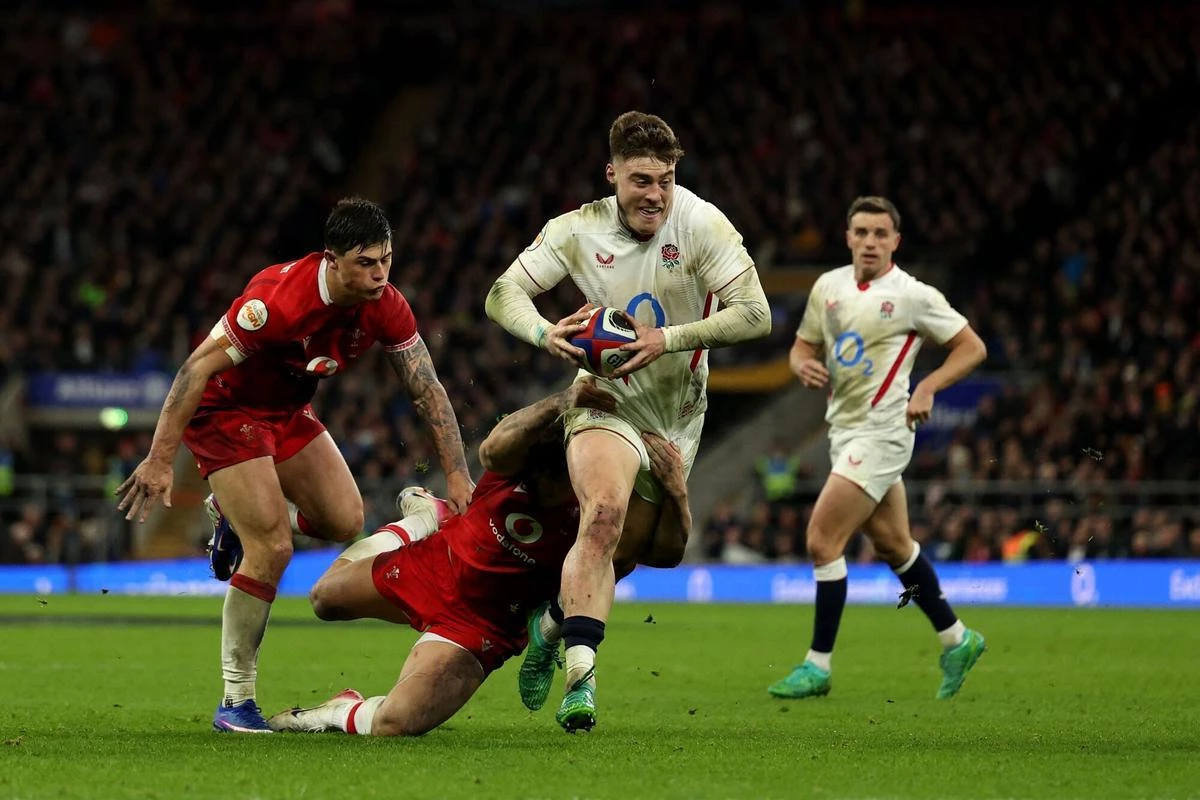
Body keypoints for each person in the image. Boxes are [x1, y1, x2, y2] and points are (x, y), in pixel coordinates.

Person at [115, 198, 474, 732]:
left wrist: (458, 474)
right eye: (366, 263)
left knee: (345, 520)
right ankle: (236, 702)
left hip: (285, 413)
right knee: (272, 547)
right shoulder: (277, 302)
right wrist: (160, 459)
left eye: (386, 260)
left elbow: (427, 388)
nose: (380, 275)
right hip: (224, 410)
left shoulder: (386, 304)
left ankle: (236, 516)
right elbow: (194, 370)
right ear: (332, 259)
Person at [484, 110, 770, 731]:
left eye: (666, 180)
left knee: (626, 554)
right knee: (604, 515)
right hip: (606, 399)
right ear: (611, 173)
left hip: (677, 413)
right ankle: (581, 682)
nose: (656, 195)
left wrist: (668, 338)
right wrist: (544, 333)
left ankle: (551, 626)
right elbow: (502, 293)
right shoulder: (576, 229)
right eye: (642, 180)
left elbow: (757, 314)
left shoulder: (702, 224)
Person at [266, 380, 692, 737]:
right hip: (437, 564)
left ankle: (334, 712)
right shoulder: (517, 458)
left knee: (395, 724)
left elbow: (666, 554)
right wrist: (560, 401)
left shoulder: (603, 508)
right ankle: (422, 521)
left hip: (483, 629)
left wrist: (676, 492)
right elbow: (492, 448)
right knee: (324, 598)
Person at [767, 196, 988, 701]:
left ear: (895, 241)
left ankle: (817, 666)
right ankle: (958, 639)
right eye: (862, 232)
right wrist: (801, 364)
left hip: (884, 432)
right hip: (843, 430)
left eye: (880, 234)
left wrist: (928, 387)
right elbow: (802, 346)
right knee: (894, 545)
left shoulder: (913, 295)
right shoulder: (828, 287)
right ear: (848, 237)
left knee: (822, 540)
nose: (870, 242)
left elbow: (972, 347)